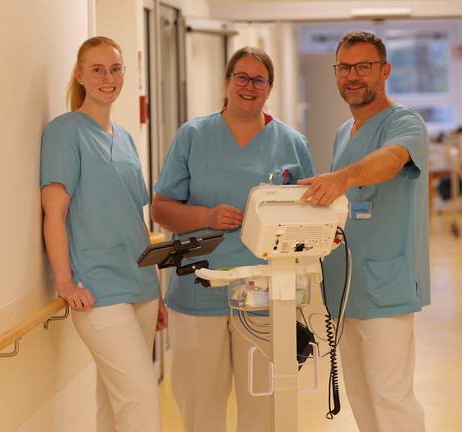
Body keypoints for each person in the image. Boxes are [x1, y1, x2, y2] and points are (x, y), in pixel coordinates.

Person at [151, 47, 316, 432]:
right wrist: (206, 217)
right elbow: (161, 208)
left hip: (266, 296)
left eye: (259, 79)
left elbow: (309, 218)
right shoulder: (193, 135)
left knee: (264, 411)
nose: (249, 86)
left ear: (269, 88)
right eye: (240, 77)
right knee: (200, 409)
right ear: (226, 82)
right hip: (198, 292)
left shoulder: (292, 144)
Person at [299, 30, 430, 432]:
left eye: (363, 67)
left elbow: (390, 161)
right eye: (343, 67)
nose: (352, 76)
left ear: (384, 70)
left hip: (385, 285)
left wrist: (344, 177)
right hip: (343, 288)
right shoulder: (344, 132)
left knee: (390, 396)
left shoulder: (405, 122)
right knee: (359, 393)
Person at [40, 36, 166, 432]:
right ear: (80, 75)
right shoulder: (65, 132)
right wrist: (64, 281)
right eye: (97, 69)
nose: (107, 78)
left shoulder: (126, 138)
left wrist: (156, 290)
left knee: (114, 405)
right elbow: (54, 213)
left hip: (140, 285)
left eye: (115, 69)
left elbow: (137, 220)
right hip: (97, 289)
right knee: (141, 396)